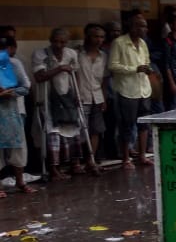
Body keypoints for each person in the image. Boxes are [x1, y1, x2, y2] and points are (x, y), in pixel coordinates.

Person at [31, 27, 84, 180]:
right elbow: (39, 76)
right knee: (53, 131)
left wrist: (77, 93)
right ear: (50, 40)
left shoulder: (71, 54)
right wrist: (60, 68)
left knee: (73, 128)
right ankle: (54, 169)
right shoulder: (40, 54)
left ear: (67, 42)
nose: (59, 45)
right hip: (48, 98)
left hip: (67, 95)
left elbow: (76, 74)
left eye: (62, 42)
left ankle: (75, 164)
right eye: (55, 41)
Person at [107, 14, 154, 169]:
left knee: (144, 124)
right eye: (141, 26)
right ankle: (126, 158)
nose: (144, 29)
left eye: (145, 26)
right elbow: (113, 66)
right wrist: (134, 69)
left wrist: (147, 68)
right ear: (132, 27)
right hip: (127, 90)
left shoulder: (143, 43)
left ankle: (142, 155)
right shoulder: (119, 43)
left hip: (144, 89)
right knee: (127, 125)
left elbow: (146, 60)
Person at [0, 35, 35, 195]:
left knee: (18, 148)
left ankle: (20, 182)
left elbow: (26, 87)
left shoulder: (14, 64)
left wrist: (10, 92)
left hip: (12, 112)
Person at [76, 23, 108, 173]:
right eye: (96, 36)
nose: (99, 40)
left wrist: (104, 98)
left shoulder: (103, 56)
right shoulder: (77, 54)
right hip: (81, 96)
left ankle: (91, 160)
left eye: (101, 37)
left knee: (95, 130)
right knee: (80, 130)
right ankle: (76, 162)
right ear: (88, 37)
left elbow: (104, 80)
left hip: (97, 96)